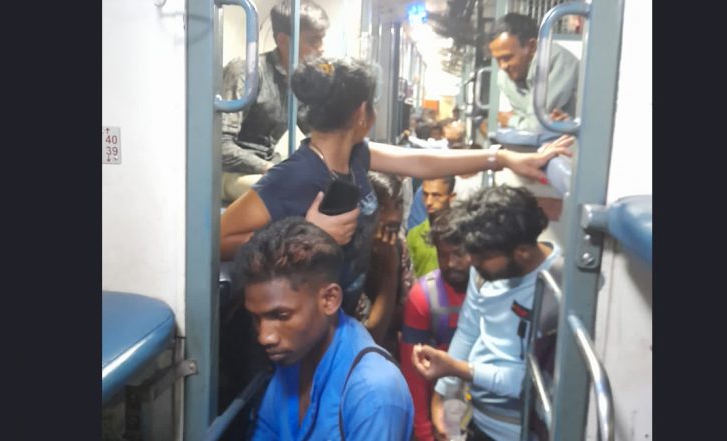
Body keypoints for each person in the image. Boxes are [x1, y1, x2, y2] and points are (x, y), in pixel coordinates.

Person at [220, 55, 574, 317]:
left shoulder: (355, 155)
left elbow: (419, 162)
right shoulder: (296, 175)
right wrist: (303, 232)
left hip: (336, 310)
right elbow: (216, 240)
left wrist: (503, 157)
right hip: (301, 319)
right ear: (362, 113)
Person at [234, 217, 414, 440]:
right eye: (256, 318)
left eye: (281, 316)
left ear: (329, 299)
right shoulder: (292, 360)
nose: (265, 336)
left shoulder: (373, 391)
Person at [411, 186, 563, 441]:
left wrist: (458, 369)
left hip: (519, 431)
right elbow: (469, 330)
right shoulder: (485, 270)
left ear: (522, 252)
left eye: (482, 257)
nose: (472, 262)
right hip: (478, 419)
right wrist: (442, 393)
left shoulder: (558, 289)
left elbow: (534, 382)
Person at [219, 0, 329, 203]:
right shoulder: (246, 71)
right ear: (283, 40)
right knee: (294, 193)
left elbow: (317, 133)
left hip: (267, 167)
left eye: (322, 40)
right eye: (313, 41)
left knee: (325, 186)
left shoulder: (297, 79)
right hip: (229, 173)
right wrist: (269, 168)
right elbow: (220, 146)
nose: (321, 49)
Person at [400, 210, 472, 441]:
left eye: (459, 254)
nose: (451, 263)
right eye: (443, 254)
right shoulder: (424, 296)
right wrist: (424, 434)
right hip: (441, 408)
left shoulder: (494, 291)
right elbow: (414, 374)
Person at [487, 13, 579, 133]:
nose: (502, 66)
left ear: (532, 46)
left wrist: (512, 121)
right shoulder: (504, 78)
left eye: (507, 57)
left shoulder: (552, 58)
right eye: (497, 60)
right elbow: (535, 125)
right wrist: (537, 123)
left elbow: (537, 126)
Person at [356, 171, 414, 358]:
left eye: (397, 206)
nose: (393, 217)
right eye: (381, 208)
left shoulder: (398, 246)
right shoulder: (348, 256)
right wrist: (389, 271)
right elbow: (370, 338)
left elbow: (407, 315)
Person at [407, 176, 455, 278]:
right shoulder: (414, 235)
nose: (429, 202)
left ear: (451, 197)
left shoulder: (461, 233)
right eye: (425, 194)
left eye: (436, 195)